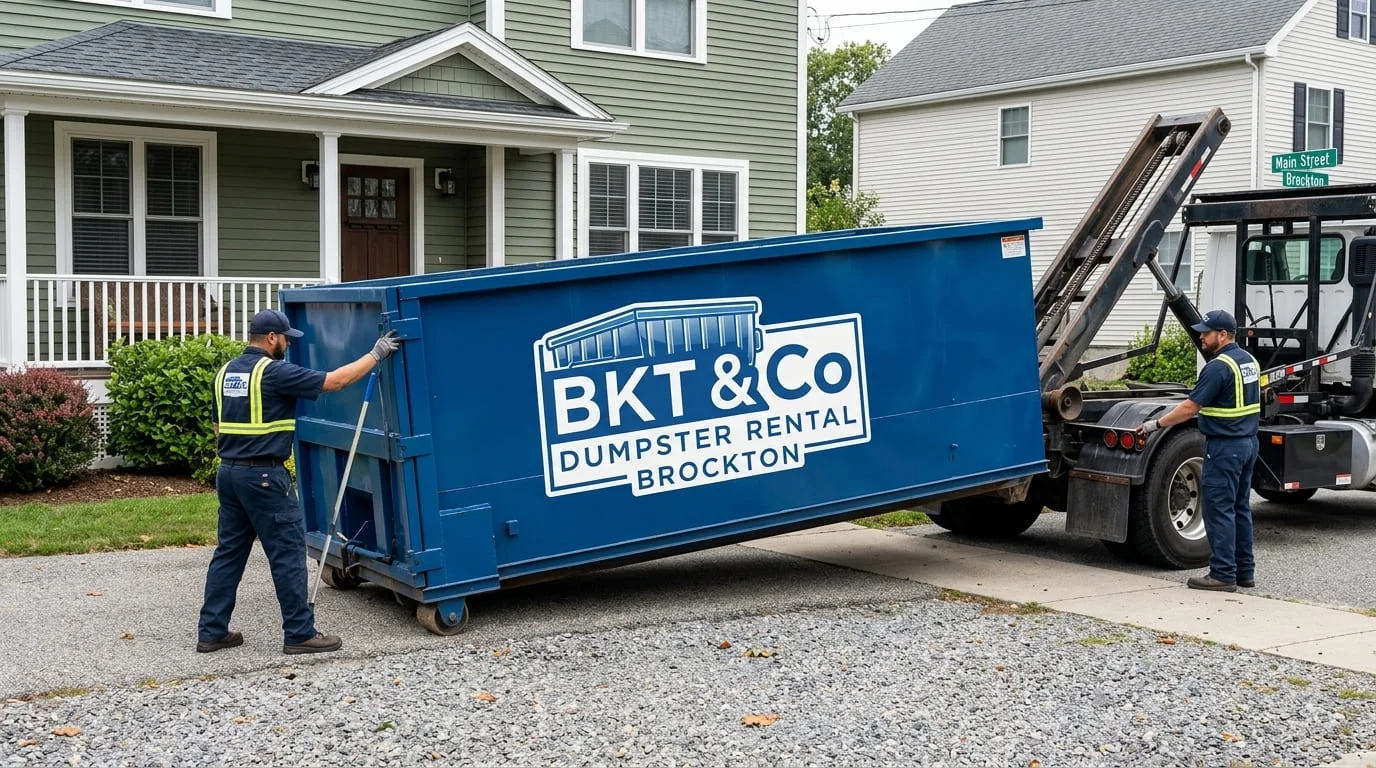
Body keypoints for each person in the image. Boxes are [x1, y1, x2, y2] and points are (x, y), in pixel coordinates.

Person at [196, 309, 399, 654]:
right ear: (272, 338)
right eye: (286, 337)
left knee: (228, 554)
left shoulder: (226, 373)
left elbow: (219, 428)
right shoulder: (273, 373)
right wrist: (376, 354)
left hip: (228, 474)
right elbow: (335, 382)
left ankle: (212, 631)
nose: (288, 343)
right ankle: (300, 633)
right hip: (263, 477)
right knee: (288, 554)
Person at [1137, 309, 1260, 593]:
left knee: (1218, 511)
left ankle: (1222, 575)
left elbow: (1190, 407)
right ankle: (1244, 571)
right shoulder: (1249, 362)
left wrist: (1154, 424)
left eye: (1206, 332)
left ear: (1223, 335)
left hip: (1225, 447)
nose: (1201, 336)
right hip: (1248, 444)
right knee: (1240, 508)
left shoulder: (1218, 367)